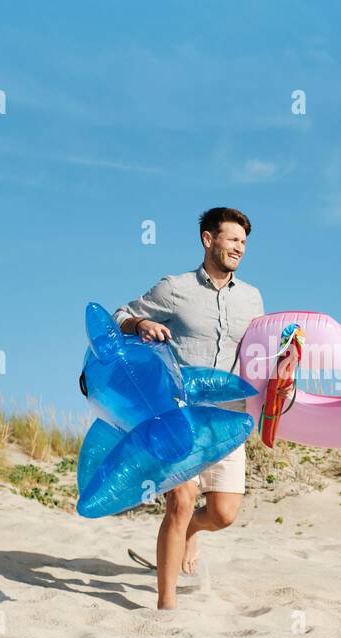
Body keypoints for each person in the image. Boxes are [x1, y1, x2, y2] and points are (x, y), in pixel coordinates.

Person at [112, 207, 265, 610]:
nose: (239, 248)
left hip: (229, 418)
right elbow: (121, 314)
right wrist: (140, 325)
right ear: (208, 239)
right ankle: (167, 607)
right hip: (180, 413)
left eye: (244, 243)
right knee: (180, 499)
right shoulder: (175, 288)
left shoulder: (252, 299)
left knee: (223, 514)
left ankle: (193, 531)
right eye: (232, 239)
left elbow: (261, 353)